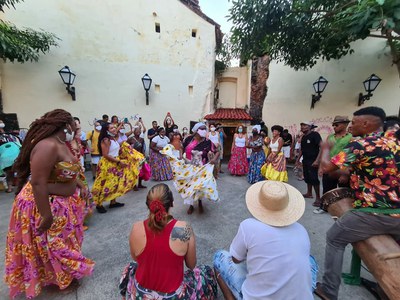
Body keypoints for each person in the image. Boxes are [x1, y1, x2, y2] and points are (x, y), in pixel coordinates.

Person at [4, 109, 94, 299]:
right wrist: (46, 215)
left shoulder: (61, 143)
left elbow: (65, 172)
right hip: (42, 204)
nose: (75, 128)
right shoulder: (47, 146)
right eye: (73, 125)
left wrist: (79, 185)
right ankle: (55, 280)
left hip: (60, 203)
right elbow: (38, 182)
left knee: (60, 242)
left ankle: (63, 275)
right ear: (64, 125)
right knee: (49, 245)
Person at [316, 106, 400, 300]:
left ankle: (328, 291)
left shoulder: (361, 144)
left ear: (366, 124)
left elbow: (328, 167)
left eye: (353, 123)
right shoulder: (395, 143)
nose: (351, 126)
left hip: (373, 213)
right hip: (397, 212)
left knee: (334, 238)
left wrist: (326, 149)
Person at [213, 180, 314, 300]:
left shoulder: (248, 226)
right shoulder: (301, 230)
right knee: (310, 260)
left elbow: (235, 259)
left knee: (219, 257)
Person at [119, 183, 218, 299]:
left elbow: (135, 258)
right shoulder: (182, 229)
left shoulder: (136, 228)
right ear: (171, 203)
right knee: (205, 272)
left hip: (142, 293)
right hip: (173, 296)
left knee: (132, 267)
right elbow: (191, 265)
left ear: (148, 205)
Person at [313, 116, 352, 214]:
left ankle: (344, 210)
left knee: (344, 190)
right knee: (327, 188)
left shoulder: (351, 138)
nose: (334, 126)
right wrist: (321, 166)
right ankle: (324, 207)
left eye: (337, 124)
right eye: (333, 125)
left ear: (345, 124)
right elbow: (324, 151)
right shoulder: (330, 137)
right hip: (329, 167)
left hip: (343, 169)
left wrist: (345, 174)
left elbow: (351, 156)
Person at [92, 123, 132, 213]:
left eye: (114, 127)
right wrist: (118, 161)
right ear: (107, 130)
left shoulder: (113, 138)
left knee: (115, 183)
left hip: (115, 163)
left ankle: (113, 202)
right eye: (111, 128)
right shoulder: (106, 140)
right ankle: (99, 204)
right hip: (108, 165)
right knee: (104, 184)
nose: (114, 129)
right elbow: (105, 155)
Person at [180, 122, 220, 214]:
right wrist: (181, 156)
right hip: (189, 167)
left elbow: (217, 151)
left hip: (202, 168)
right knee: (190, 186)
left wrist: (214, 159)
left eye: (204, 129)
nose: (204, 131)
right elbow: (181, 147)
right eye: (201, 129)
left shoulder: (207, 141)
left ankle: (200, 203)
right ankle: (191, 205)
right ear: (196, 130)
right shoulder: (189, 139)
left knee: (199, 186)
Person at [296, 121, 322, 206]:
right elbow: (302, 150)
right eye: (301, 125)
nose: (302, 127)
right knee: (307, 177)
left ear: (310, 127)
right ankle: (309, 193)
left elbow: (322, 147)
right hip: (306, 160)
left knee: (314, 179)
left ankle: (318, 198)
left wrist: (317, 160)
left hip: (313, 160)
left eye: (304, 125)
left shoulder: (315, 135)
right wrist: (298, 159)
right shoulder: (303, 137)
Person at [0, 119, 21, 193]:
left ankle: (10, 188)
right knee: (17, 172)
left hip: (6, 159)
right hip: (14, 157)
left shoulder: (9, 135)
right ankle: (19, 187)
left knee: (10, 173)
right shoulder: (10, 136)